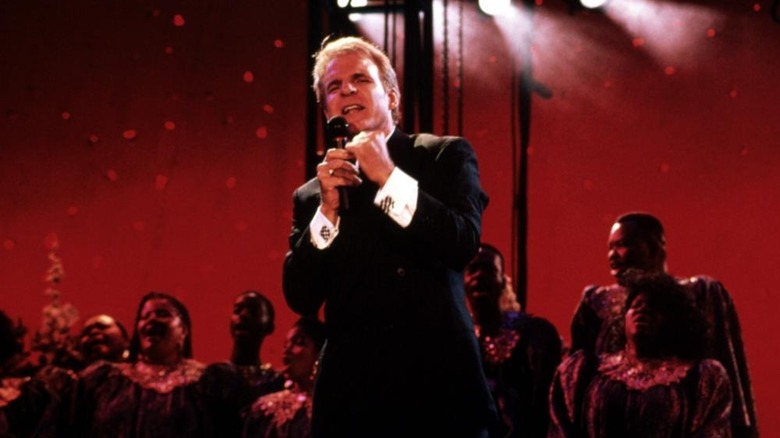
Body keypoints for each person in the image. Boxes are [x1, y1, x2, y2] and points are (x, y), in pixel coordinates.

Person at [282, 35, 497, 437]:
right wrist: (327, 211)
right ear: (327, 109)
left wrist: (388, 177)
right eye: (333, 86)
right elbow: (301, 296)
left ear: (392, 96)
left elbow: (463, 243)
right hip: (353, 399)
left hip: (437, 388)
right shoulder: (313, 194)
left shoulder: (441, 155)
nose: (346, 89)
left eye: (360, 79)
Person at [569, 212, 758, 438]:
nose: (613, 255)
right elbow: (576, 377)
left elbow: (725, 359)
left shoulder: (700, 292)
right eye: (610, 247)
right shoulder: (596, 301)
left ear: (655, 248)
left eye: (623, 245)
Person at [550, 270, 733, 437]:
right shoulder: (583, 372)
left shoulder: (701, 378)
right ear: (623, 319)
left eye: (654, 307)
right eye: (636, 304)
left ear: (675, 320)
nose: (642, 309)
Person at [67, 291, 242, 437]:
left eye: (163, 314)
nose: (151, 320)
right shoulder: (103, 380)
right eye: (145, 316)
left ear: (184, 331)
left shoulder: (210, 382)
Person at [464, 244, 562, 438]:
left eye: (488, 269)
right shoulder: (459, 338)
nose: (479, 275)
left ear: (502, 280)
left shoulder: (535, 334)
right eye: (472, 269)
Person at [242, 316, 326, 438]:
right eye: (285, 343)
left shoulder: (338, 409)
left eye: (298, 342)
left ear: (320, 355)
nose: (287, 349)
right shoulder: (264, 410)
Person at [226, 291, 285, 402]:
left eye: (254, 312)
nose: (243, 315)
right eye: (237, 311)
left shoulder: (274, 382)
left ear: (270, 326)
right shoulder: (214, 376)